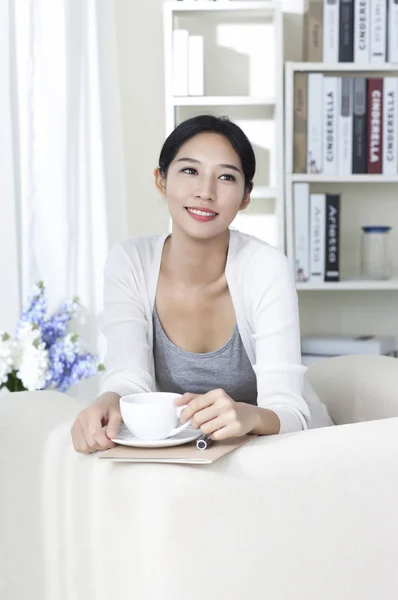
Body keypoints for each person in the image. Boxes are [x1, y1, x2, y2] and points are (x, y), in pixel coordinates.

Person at [71, 114, 333, 454]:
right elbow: (129, 380)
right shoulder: (130, 262)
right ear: (161, 180)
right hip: (184, 455)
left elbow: (292, 413)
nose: (205, 192)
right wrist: (109, 401)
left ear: (245, 197)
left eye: (226, 177)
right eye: (190, 171)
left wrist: (247, 415)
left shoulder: (266, 268)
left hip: (277, 454)